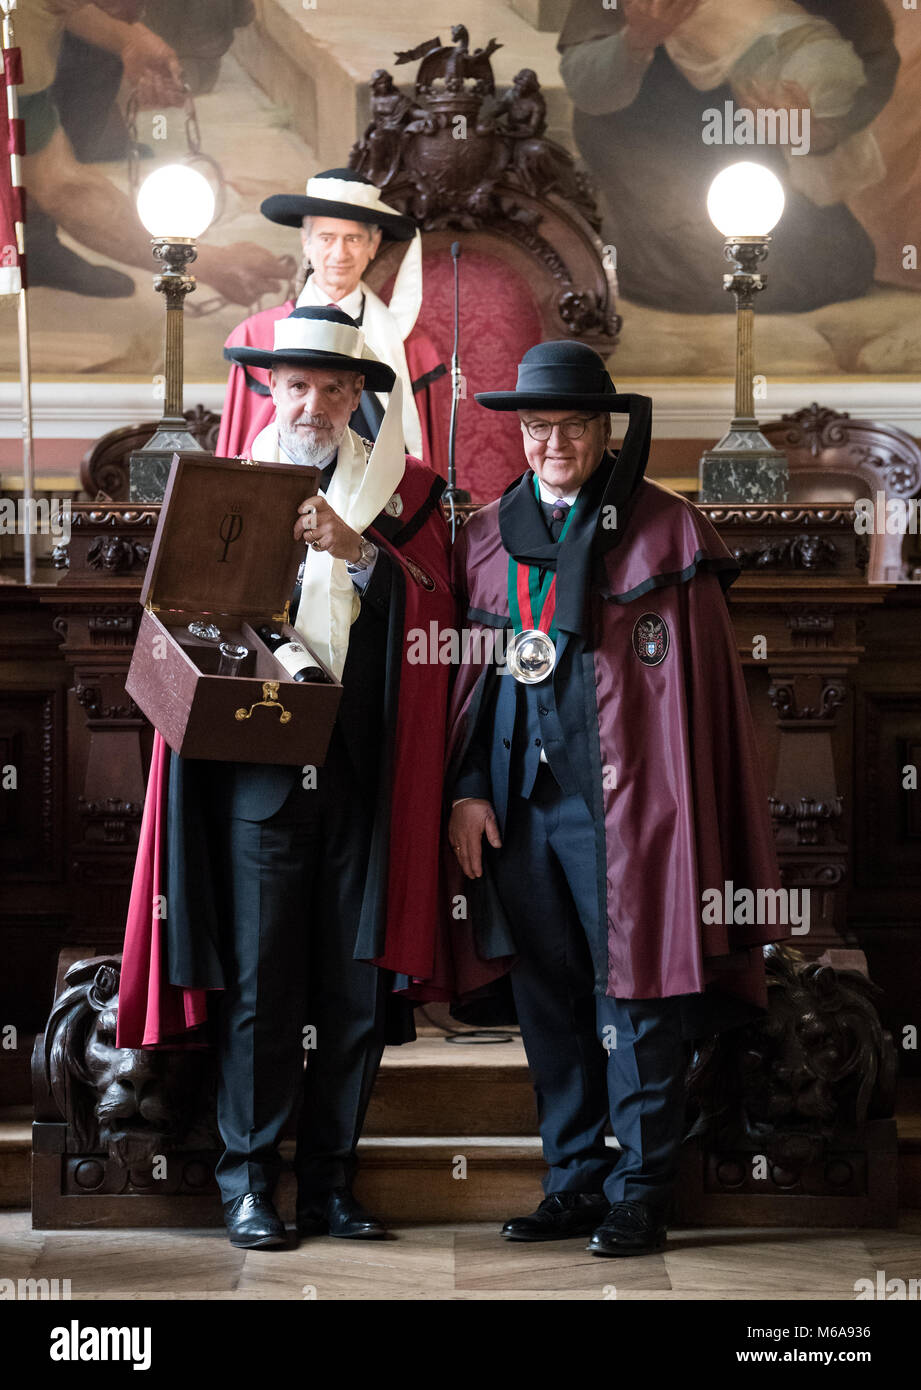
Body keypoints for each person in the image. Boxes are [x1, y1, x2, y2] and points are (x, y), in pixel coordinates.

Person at [117, 306, 458, 1249]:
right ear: (269, 389)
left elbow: (444, 627)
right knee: (263, 984)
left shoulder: (405, 495)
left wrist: (357, 553)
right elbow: (174, 614)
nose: (313, 401)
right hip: (255, 764)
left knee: (353, 985)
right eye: (296, 384)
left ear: (358, 397)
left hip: (362, 765)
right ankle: (250, 1181)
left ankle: (333, 1181)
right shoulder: (225, 489)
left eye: (333, 386)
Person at [444, 340, 785, 1256]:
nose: (555, 442)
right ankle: (573, 1180)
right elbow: (466, 688)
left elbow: (692, 701)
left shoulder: (664, 531)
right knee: (549, 1000)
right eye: (539, 426)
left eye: (574, 426)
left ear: (604, 431)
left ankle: (640, 1188)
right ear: (519, 435)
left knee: (634, 996)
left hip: (630, 810)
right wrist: (467, 790)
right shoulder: (483, 537)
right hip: (517, 809)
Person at [557, 0, 899, 313]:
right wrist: (637, 40)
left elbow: (870, 64)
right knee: (708, 275)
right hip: (649, 148)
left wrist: (820, 129)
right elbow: (587, 85)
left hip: (757, 159)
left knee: (840, 262)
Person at [16, 0, 287, 303]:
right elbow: (64, 189)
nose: (142, 14)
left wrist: (130, 39)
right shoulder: (18, 51)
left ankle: (33, 245)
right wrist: (207, 262)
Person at [216, 167, 447, 473]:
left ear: (373, 245)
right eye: (327, 238)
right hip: (276, 500)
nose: (340, 253)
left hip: (378, 510)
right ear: (305, 243)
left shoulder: (411, 348)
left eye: (353, 239)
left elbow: (420, 469)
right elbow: (237, 458)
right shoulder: (257, 335)